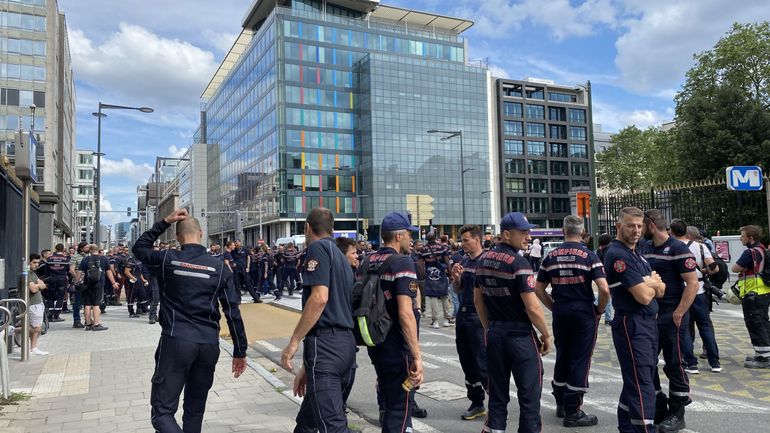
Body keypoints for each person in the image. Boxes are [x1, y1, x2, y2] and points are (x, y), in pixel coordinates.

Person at [132, 209, 248, 433]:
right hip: (208, 344)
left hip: (177, 340)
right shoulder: (220, 268)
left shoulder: (167, 258)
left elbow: (139, 248)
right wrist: (240, 350)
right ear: (201, 233)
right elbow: (232, 312)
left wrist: (165, 221)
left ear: (177, 236)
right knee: (195, 409)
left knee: (162, 412)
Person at [280, 207, 357, 433]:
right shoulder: (342, 259)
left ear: (307, 228)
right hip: (345, 347)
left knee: (332, 426)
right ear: (331, 229)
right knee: (307, 424)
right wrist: (308, 365)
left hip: (326, 349)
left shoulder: (317, 248)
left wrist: (293, 341)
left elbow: (320, 298)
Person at [474, 212, 550, 433]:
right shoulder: (519, 262)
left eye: (529, 232)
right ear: (507, 234)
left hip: (496, 333)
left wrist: (489, 328)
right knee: (529, 397)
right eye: (523, 233)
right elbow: (532, 307)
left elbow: (477, 301)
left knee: (497, 395)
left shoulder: (483, 260)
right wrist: (546, 334)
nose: (528, 237)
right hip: (520, 337)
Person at [533, 215, 608, 427]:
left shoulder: (551, 256)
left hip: (561, 310)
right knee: (581, 358)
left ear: (563, 231)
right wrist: (599, 310)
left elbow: (538, 288)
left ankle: (561, 403)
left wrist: (554, 306)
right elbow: (604, 288)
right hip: (583, 310)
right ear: (583, 232)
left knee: (563, 355)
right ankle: (573, 411)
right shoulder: (589, 255)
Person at [604, 207, 666, 433]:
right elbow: (643, 295)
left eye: (640, 226)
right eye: (631, 225)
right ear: (619, 226)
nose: (636, 230)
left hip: (647, 322)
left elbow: (661, 290)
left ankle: (627, 426)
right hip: (633, 323)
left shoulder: (636, 253)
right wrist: (650, 284)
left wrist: (650, 283)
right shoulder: (618, 255)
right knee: (642, 382)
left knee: (641, 376)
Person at [362, 211, 423, 433]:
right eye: (409, 234)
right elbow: (406, 313)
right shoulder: (402, 262)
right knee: (400, 410)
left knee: (388, 404)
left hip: (376, 341)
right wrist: (417, 355)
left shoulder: (367, 260)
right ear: (398, 236)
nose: (411, 239)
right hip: (398, 345)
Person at [642, 210, 698, 431]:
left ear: (651, 224)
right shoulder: (645, 248)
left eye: (642, 225)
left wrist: (679, 312)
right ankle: (658, 407)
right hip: (650, 315)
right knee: (647, 363)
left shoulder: (678, 248)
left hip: (671, 316)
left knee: (674, 363)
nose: (639, 230)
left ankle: (677, 412)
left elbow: (692, 284)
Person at [450, 225, 488, 421]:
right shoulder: (463, 261)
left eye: (465, 240)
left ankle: (497, 403)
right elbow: (458, 289)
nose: (462, 243)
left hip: (478, 317)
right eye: (461, 240)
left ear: (477, 240)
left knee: (483, 362)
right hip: (463, 315)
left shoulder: (487, 261)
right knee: (467, 361)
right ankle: (476, 402)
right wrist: (456, 279)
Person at [675, 223, 721, 373]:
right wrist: (703, 271)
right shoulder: (700, 246)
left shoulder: (672, 246)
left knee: (685, 327)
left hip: (682, 290)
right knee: (705, 326)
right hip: (700, 290)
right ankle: (715, 362)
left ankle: (691, 363)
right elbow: (715, 267)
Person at [731, 225, 770, 368]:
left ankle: (764, 358)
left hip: (752, 293)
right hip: (763, 291)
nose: (741, 238)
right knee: (763, 322)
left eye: (742, 236)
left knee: (755, 324)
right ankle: (763, 353)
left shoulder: (750, 252)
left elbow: (735, 268)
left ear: (750, 238)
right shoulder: (762, 249)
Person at [419, 233, 452, 328]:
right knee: (444, 296)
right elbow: (447, 262)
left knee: (433, 297)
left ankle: (435, 321)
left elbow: (420, 264)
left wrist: (423, 275)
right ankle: (446, 319)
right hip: (441, 274)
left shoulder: (423, 250)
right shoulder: (442, 248)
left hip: (429, 275)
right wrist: (450, 275)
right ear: (435, 237)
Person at [79, 244, 111, 331]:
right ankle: (96, 324)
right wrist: (113, 282)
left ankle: (88, 324)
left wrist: (77, 282)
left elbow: (80, 272)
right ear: (98, 250)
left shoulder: (85, 259)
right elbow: (109, 272)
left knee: (87, 304)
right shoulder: (103, 259)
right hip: (99, 284)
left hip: (87, 284)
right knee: (96, 304)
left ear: (90, 250)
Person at [44, 243, 72, 322]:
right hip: (62, 278)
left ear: (55, 249)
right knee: (60, 297)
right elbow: (68, 270)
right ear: (63, 249)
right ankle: (56, 315)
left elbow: (46, 270)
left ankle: (50, 314)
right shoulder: (66, 259)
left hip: (52, 279)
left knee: (51, 296)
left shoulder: (49, 258)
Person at [27, 253, 48, 355]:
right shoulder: (28, 274)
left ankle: (33, 347)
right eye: (34, 262)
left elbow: (43, 285)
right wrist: (38, 285)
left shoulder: (33, 273)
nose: (36, 265)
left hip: (38, 303)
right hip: (33, 304)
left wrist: (38, 285)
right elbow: (34, 289)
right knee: (37, 327)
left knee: (37, 326)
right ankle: (12, 331)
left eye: (37, 263)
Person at [597, 233, 614, 325]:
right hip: (609, 275)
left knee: (606, 294)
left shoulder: (599, 251)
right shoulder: (611, 250)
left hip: (602, 275)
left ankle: (608, 317)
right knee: (607, 294)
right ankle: (607, 317)